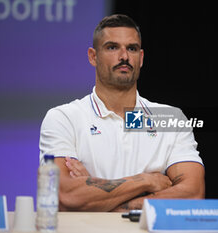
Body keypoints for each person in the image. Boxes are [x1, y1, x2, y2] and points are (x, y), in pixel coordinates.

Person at [39, 14, 205, 212]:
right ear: (93, 56)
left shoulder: (170, 118)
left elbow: (192, 193)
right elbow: (64, 195)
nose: (124, 56)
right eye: (112, 47)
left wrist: (105, 197)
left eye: (132, 48)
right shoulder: (63, 118)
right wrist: (146, 180)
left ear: (141, 58)